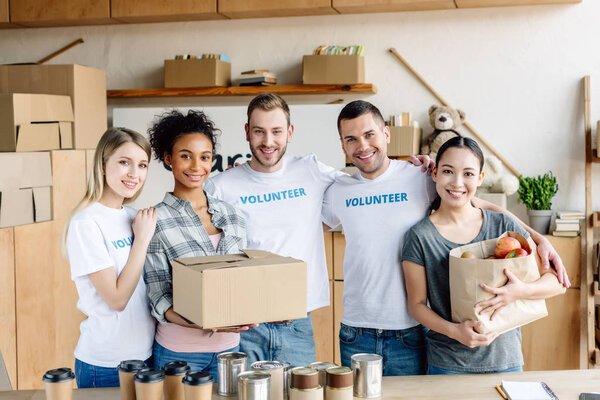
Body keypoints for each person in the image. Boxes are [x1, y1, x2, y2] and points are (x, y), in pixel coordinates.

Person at [321, 100, 569, 376]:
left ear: (386, 134)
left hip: (410, 333)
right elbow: (306, 228)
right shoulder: (337, 191)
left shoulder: (419, 176)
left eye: (370, 135)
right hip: (356, 330)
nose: (363, 146)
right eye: (351, 139)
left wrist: (538, 238)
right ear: (342, 145)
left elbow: (475, 202)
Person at [402, 136, 566, 374]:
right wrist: (454, 331)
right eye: (448, 171)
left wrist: (521, 291)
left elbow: (556, 283)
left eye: (468, 174)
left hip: (505, 361)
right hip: (447, 364)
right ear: (435, 173)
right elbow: (416, 305)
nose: (457, 182)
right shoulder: (420, 235)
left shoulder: (503, 226)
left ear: (480, 179)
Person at [204, 93, 346, 366]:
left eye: (276, 131)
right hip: (243, 325)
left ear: (290, 133)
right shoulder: (220, 186)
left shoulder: (312, 170)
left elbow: (365, 183)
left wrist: (413, 167)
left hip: (297, 322)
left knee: (300, 396)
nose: (268, 142)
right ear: (247, 132)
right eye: (259, 131)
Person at [143, 110, 255, 379]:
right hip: (178, 353)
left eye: (204, 157)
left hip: (231, 352)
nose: (196, 166)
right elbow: (159, 298)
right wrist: (208, 322)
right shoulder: (154, 220)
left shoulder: (233, 215)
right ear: (168, 159)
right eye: (185, 156)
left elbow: (244, 281)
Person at [65, 127, 157, 388]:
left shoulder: (133, 216)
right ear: (103, 165)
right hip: (105, 365)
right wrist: (141, 241)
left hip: (147, 356)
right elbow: (116, 300)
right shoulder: (86, 222)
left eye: (142, 165)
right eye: (124, 162)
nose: (134, 174)